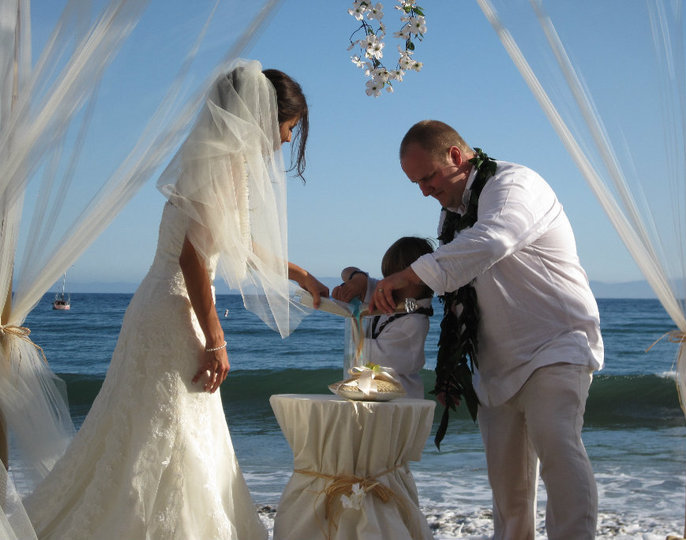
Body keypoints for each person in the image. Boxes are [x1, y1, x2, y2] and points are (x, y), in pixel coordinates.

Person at [24, 60, 328, 540]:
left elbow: (238, 244)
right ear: (264, 117)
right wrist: (216, 338)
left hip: (155, 305)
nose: (289, 140)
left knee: (150, 430)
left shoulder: (214, 162)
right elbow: (193, 258)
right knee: (173, 431)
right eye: (289, 127)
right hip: (173, 309)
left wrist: (301, 275)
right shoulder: (224, 167)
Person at [369, 120, 604, 540]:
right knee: (507, 483)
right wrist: (372, 289)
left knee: (558, 450)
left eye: (428, 177)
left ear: (457, 157)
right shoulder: (452, 214)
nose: (424, 190)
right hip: (494, 361)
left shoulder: (514, 186)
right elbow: (451, 288)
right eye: (416, 183)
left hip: (554, 343)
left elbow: (494, 240)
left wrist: (410, 273)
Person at [332, 236, 435, 398]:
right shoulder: (384, 293)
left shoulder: (413, 322)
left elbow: (370, 357)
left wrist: (355, 318)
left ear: (420, 280)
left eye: (396, 279)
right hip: (374, 400)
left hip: (399, 405)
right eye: (387, 277)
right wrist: (357, 280)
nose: (389, 284)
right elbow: (347, 272)